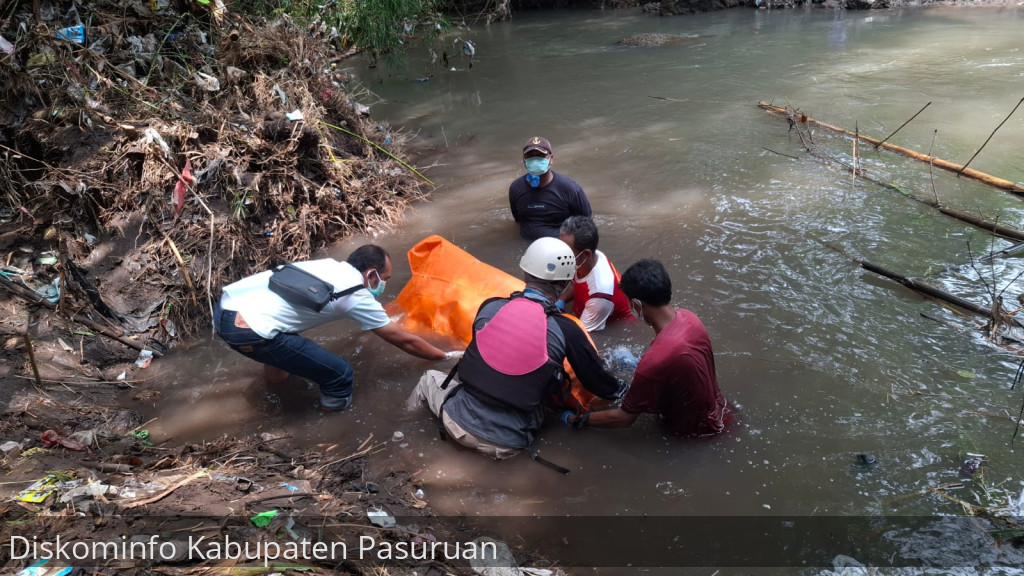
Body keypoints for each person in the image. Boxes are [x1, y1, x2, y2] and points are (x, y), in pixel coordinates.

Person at [407, 237, 627, 459]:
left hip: (452, 419)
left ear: (524, 273)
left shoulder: (490, 307)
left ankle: (404, 435)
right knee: (553, 400)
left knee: (428, 378)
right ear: (565, 283)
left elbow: (483, 356)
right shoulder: (568, 330)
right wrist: (625, 388)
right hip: (507, 444)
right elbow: (601, 385)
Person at [214, 245, 460, 412]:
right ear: (371, 274)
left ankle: (277, 392)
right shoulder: (356, 293)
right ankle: (329, 428)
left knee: (282, 341)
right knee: (340, 375)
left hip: (227, 307)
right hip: (247, 329)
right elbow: (405, 341)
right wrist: (444, 356)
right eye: (384, 280)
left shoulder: (329, 265)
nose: (383, 285)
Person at [564, 259, 727, 436]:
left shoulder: (654, 362)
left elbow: (624, 418)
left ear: (636, 305)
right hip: (720, 412)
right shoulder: (690, 318)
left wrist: (575, 420)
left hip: (692, 433)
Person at [508, 136, 593, 241]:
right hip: (527, 248)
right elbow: (518, 221)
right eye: (530, 155)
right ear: (524, 160)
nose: (535, 160)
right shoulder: (516, 188)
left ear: (551, 159)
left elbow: (586, 225)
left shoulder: (571, 189)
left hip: (560, 250)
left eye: (540, 155)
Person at [556, 215, 631, 332]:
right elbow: (577, 281)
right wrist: (561, 300)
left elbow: (582, 336)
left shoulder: (600, 295)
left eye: (566, 251)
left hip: (612, 322)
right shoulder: (588, 259)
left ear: (586, 254)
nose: (560, 254)